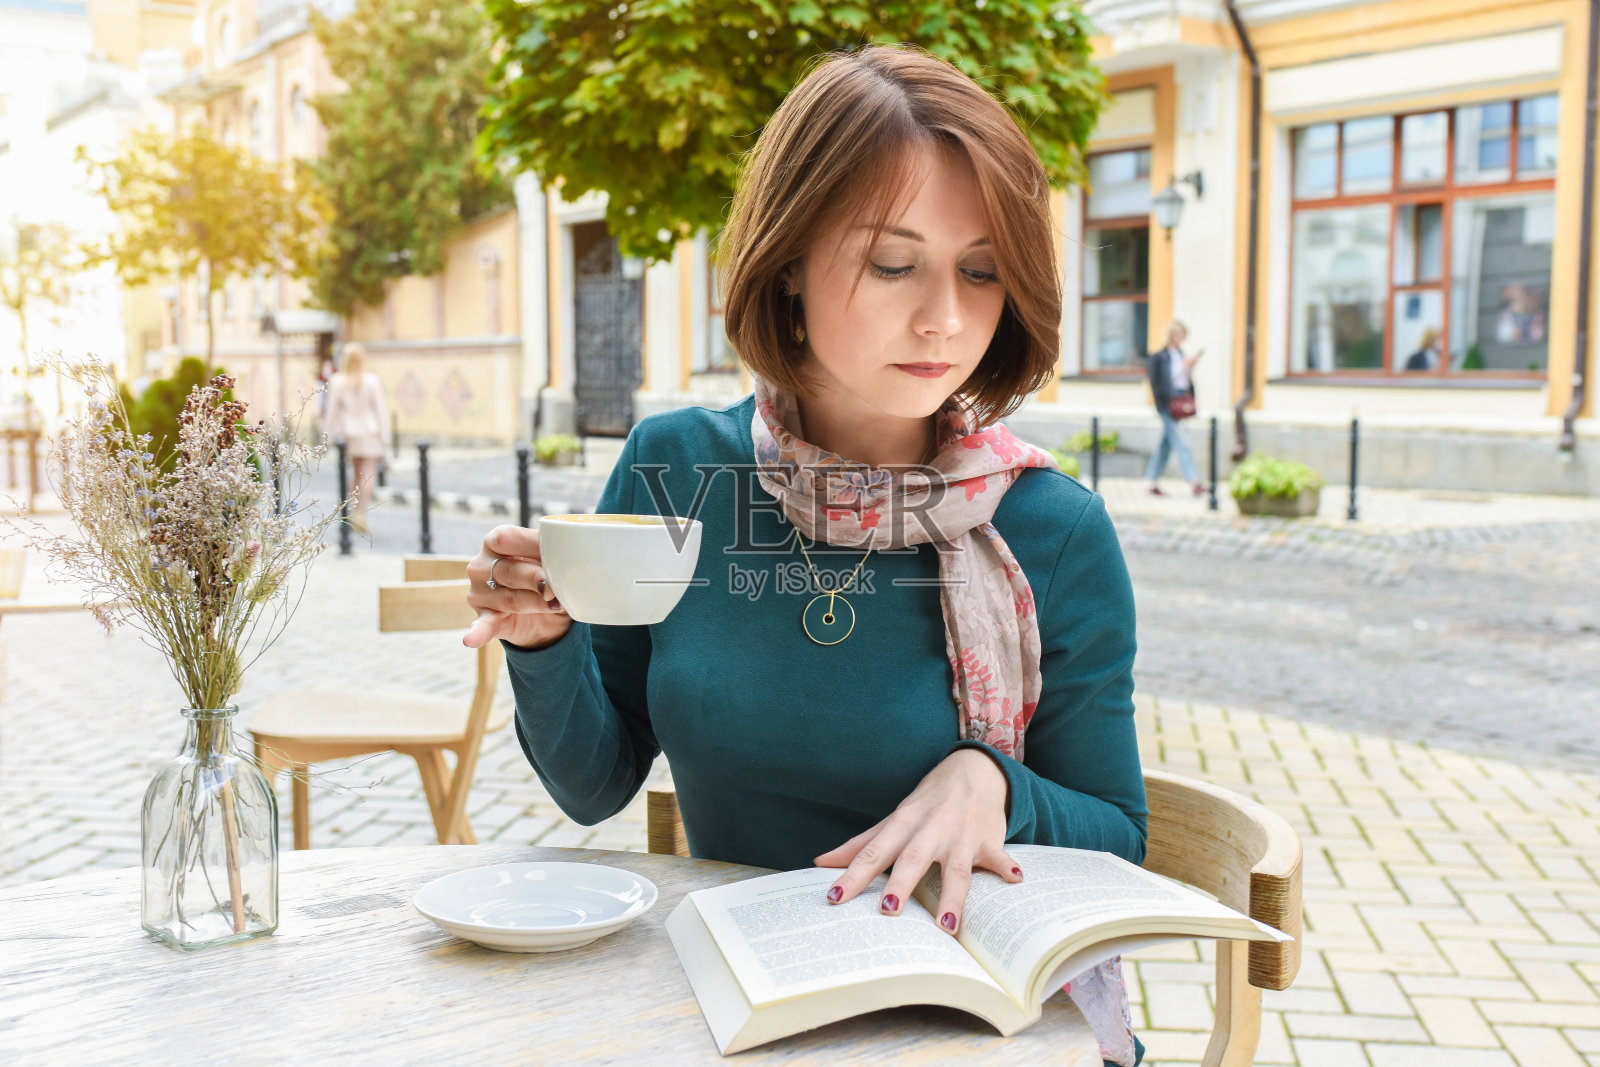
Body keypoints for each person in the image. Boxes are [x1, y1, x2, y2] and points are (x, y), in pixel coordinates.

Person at [464, 46, 1147, 1067]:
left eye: (980, 269)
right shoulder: (674, 468)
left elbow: (1120, 835)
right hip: (731, 1009)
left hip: (968, 1029)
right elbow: (594, 783)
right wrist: (542, 641)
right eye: (891, 261)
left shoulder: (1048, 528)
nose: (945, 318)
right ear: (787, 261)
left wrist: (992, 781)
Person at [321, 342, 388, 533]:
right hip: (370, 434)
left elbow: (331, 413)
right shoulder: (372, 380)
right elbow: (380, 412)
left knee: (355, 473)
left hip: (348, 435)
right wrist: (385, 440)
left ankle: (353, 510)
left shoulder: (337, 381)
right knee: (367, 474)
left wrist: (326, 438)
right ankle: (361, 512)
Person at [1143, 321, 1205, 497]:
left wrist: (1191, 367)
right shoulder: (1160, 357)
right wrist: (1184, 366)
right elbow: (1159, 382)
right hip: (1166, 404)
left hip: (1180, 400)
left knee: (1166, 444)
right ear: (1172, 335)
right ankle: (1194, 483)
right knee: (1182, 442)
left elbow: (1183, 380)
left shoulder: (1180, 354)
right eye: (1180, 335)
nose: (1182, 340)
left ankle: (1151, 482)